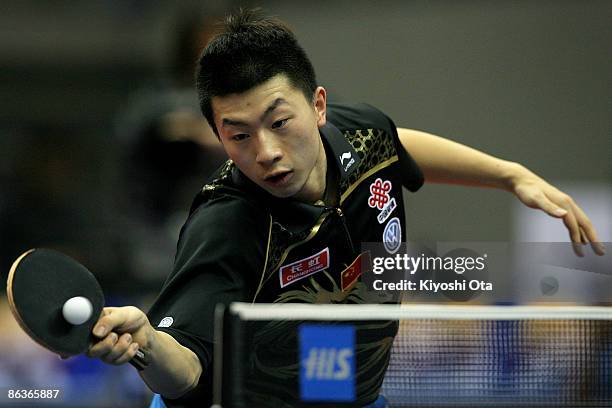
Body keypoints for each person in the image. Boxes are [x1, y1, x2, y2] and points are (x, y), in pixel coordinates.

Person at [86, 9, 604, 408]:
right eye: (238, 135)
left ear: (317, 106)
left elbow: (396, 143)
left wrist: (511, 176)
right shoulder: (226, 224)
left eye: (279, 122)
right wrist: (148, 345)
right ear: (219, 135)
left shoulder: (359, 134)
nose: (265, 152)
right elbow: (189, 371)